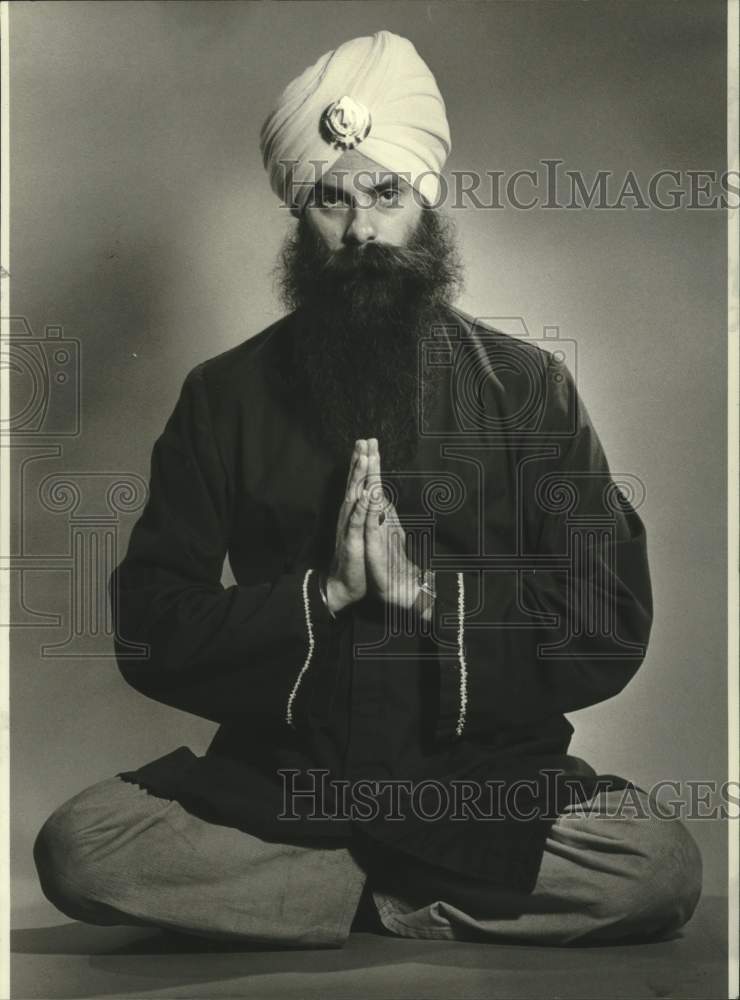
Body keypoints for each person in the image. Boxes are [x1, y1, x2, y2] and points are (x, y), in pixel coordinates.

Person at [34, 29, 702, 949]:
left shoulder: (526, 386)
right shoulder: (222, 396)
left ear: (424, 201)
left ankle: (322, 902)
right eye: (330, 200)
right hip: (285, 788)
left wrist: (426, 597)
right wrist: (327, 596)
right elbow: (151, 622)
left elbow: (608, 615)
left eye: (385, 193)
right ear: (298, 218)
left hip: (480, 786)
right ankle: (403, 895)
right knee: (81, 848)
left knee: (658, 864)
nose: (360, 230)